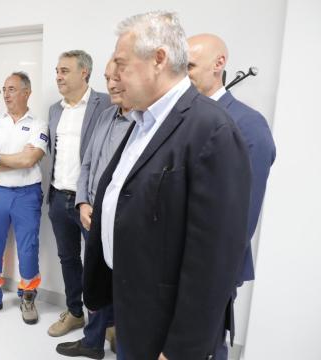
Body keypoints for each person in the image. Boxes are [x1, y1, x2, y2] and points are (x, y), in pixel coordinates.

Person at [82, 11, 252, 359]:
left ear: (158, 59)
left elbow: (214, 260)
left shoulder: (211, 130)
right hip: (132, 305)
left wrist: (180, 350)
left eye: (122, 64)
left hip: (166, 327)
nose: (114, 76)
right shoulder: (143, 121)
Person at [187, 33, 277, 359]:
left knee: (205, 347)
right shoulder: (181, 119)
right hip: (172, 265)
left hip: (210, 269)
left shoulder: (248, 125)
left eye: (192, 65)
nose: (184, 73)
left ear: (219, 64)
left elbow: (242, 217)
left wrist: (211, 275)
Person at [56, 58, 132, 359]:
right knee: (94, 276)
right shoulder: (106, 116)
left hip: (121, 216)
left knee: (121, 278)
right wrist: (84, 201)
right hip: (90, 210)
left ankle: (119, 336)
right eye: (107, 77)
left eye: (118, 77)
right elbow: (87, 162)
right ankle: (92, 340)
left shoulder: (143, 123)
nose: (111, 83)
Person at [0, 72, 49, 325]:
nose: (6, 94)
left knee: (28, 247)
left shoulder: (38, 124)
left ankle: (27, 296)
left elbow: (30, 160)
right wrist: (8, 159)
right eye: (4, 89)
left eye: (12, 89)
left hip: (27, 195)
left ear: (27, 92)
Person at [46, 50, 111, 337]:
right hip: (59, 197)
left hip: (91, 201)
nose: (58, 76)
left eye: (65, 70)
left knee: (100, 264)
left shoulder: (105, 104)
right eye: (57, 71)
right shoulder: (54, 110)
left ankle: (108, 323)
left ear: (84, 72)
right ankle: (74, 312)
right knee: (68, 259)